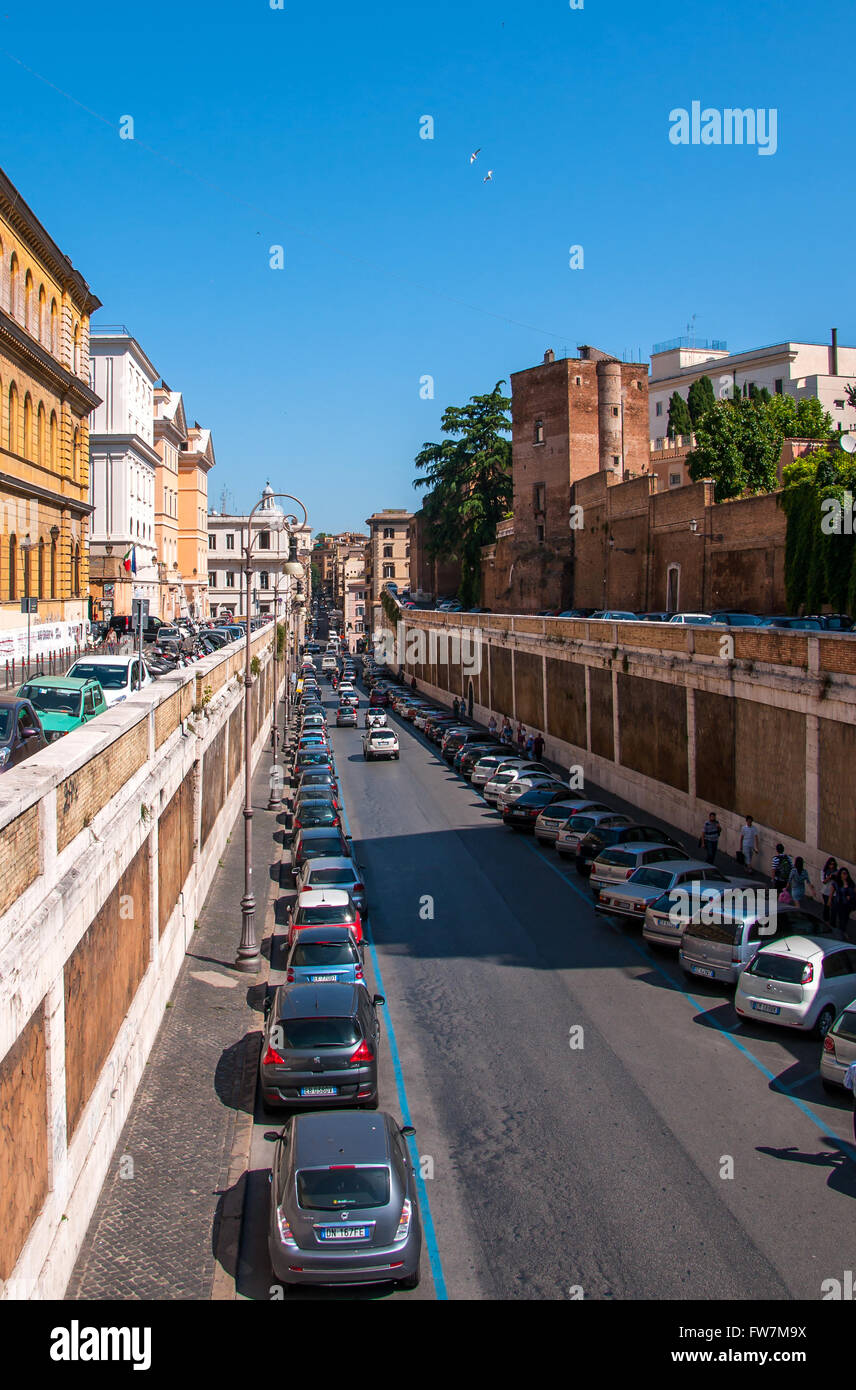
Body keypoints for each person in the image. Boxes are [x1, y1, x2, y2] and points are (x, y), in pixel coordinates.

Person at [832, 867, 856, 939]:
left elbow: (854, 893)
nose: (845, 875)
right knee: (841, 918)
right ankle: (841, 932)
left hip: (848, 904)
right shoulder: (837, 883)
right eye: (844, 873)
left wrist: (851, 897)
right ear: (840, 875)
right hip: (839, 903)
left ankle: (843, 931)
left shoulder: (851, 883)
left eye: (846, 874)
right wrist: (830, 900)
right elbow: (832, 892)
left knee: (845, 918)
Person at [821, 857, 838, 923]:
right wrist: (830, 877)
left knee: (834, 908)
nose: (832, 866)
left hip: (834, 893)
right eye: (830, 864)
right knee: (827, 906)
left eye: (833, 864)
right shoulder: (824, 871)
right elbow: (823, 881)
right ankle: (825, 920)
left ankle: (833, 922)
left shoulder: (837, 871)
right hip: (826, 892)